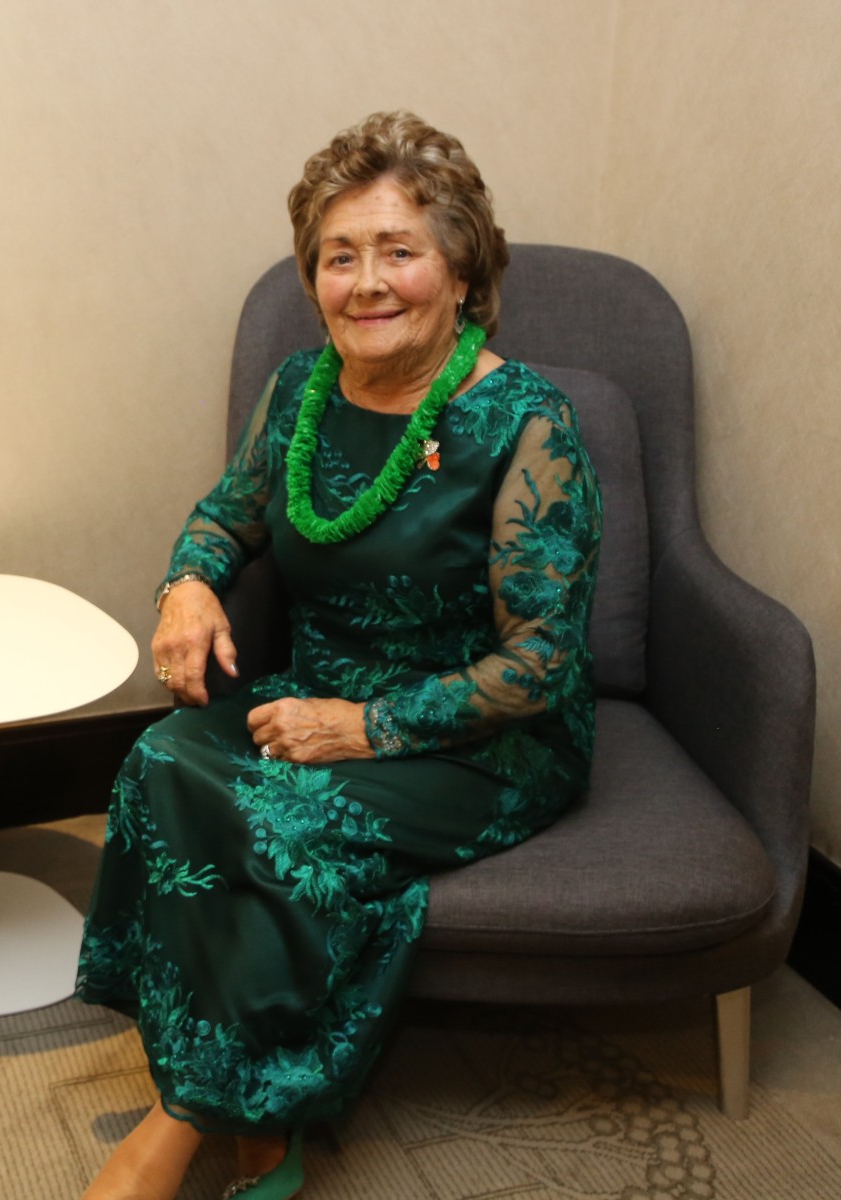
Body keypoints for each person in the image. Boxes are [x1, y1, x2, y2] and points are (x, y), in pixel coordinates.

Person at [75, 111, 600, 1200]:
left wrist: (365, 729)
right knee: (161, 762)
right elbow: (225, 516)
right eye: (338, 255)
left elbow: (541, 664)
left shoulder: (529, 424)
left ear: (462, 272)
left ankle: (174, 1131)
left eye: (398, 251)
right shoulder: (300, 392)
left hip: (483, 737)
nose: (365, 283)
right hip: (316, 694)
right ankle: (263, 1124)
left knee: (279, 830)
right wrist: (187, 586)